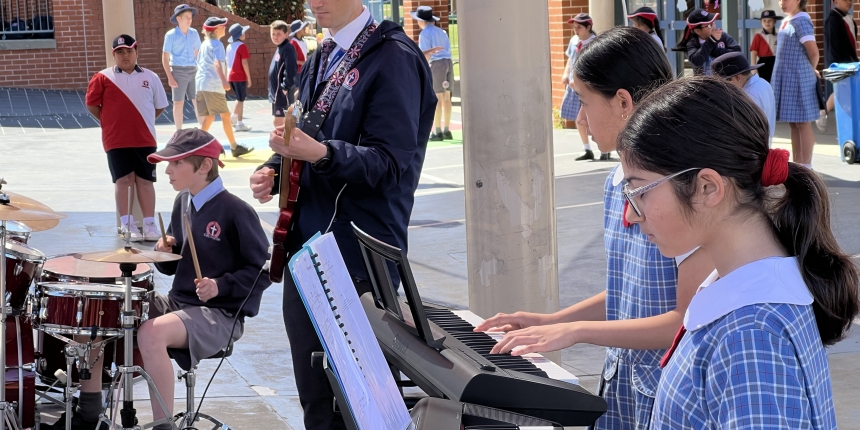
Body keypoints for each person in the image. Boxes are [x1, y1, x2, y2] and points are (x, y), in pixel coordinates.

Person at [474, 27, 714, 430]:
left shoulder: (684, 190)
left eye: (583, 102)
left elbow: (684, 318)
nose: (578, 118)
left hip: (668, 392)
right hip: (621, 381)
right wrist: (547, 320)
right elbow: (628, 287)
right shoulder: (615, 181)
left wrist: (576, 331)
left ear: (622, 101)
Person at [616, 76, 858, 429]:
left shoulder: (751, 336)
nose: (630, 214)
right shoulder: (737, 286)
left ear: (707, 187)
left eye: (640, 192)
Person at [248, 0, 436, 428]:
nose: (315, 1)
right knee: (317, 400)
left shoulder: (394, 57)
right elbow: (310, 134)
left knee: (364, 406)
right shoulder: (323, 53)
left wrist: (321, 153)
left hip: (357, 257)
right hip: (308, 250)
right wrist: (274, 170)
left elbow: (390, 165)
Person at [47, 129, 272, 430]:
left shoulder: (236, 210)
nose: (166, 170)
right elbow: (174, 267)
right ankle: (89, 411)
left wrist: (221, 286)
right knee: (99, 308)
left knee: (151, 333)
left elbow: (263, 270)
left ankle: (164, 425)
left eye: (176, 163)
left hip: (220, 315)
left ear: (204, 166)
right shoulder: (184, 202)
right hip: (180, 304)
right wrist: (167, 251)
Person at [86, 34, 168, 242]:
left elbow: (159, 106)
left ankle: (149, 224)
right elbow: (92, 105)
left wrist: (143, 121)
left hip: (145, 138)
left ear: (137, 52)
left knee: (146, 180)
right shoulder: (102, 77)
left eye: (129, 51)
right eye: (120, 52)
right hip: (116, 140)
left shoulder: (151, 77)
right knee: (123, 180)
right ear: (114, 55)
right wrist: (110, 122)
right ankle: (126, 223)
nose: (125, 56)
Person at [196, 17, 253, 158]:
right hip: (213, 86)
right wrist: (224, 81)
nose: (225, 28)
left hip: (201, 85)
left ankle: (196, 146)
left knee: (209, 118)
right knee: (226, 116)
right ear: (216, 30)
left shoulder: (205, 44)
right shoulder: (217, 44)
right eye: (223, 26)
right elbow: (217, 63)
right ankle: (234, 147)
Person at [772, 0, 819, 168]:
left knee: (803, 123)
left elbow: (813, 53)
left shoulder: (801, 20)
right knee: (794, 123)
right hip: (788, 78)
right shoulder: (787, 20)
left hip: (798, 79)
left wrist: (809, 71)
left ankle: (806, 166)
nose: (782, 3)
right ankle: (798, 165)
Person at [560, 13, 606, 161]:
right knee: (577, 117)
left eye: (579, 27)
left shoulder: (595, 43)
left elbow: (597, 68)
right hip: (574, 87)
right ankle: (586, 148)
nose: (576, 30)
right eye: (574, 27)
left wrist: (582, 81)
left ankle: (604, 147)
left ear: (588, 27)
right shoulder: (574, 41)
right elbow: (570, 60)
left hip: (589, 87)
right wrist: (566, 74)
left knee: (595, 117)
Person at [712, 52, 775, 146]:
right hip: (764, 145)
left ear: (737, 77)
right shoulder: (764, 83)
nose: (724, 88)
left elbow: (744, 131)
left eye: (724, 83)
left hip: (751, 150)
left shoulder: (746, 96)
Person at [412, 6, 454, 142]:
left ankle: (437, 131)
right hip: (448, 62)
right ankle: (447, 129)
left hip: (436, 65)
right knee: (447, 97)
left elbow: (426, 54)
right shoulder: (442, 32)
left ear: (421, 21)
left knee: (437, 98)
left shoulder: (424, 34)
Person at [820, 0, 858, 130]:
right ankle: (823, 113)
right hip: (840, 64)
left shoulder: (850, 19)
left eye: (850, 0)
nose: (849, 2)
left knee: (845, 93)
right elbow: (833, 46)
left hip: (851, 63)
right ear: (835, 1)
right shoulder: (833, 20)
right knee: (841, 91)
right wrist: (838, 67)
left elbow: (852, 44)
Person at [162, 4, 201, 130]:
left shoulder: (194, 33)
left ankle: (204, 131)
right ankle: (179, 132)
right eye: (186, 17)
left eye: (190, 17)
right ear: (178, 19)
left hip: (194, 70)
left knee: (198, 102)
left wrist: (201, 71)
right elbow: (165, 57)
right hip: (178, 70)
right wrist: (170, 77)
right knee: (178, 102)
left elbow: (198, 54)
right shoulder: (170, 35)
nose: (189, 20)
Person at [672, 9, 740, 76]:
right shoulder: (692, 43)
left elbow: (737, 52)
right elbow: (697, 61)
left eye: (713, 22)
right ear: (698, 31)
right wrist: (711, 41)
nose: (713, 27)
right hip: (704, 84)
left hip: (725, 80)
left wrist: (715, 50)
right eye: (709, 25)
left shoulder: (723, 36)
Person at [268, 20, 298, 127]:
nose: (275, 37)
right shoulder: (280, 47)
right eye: (273, 34)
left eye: (278, 34)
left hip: (281, 92)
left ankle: (285, 142)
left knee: (279, 122)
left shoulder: (288, 48)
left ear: (286, 34)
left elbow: (291, 69)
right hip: (276, 92)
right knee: (282, 120)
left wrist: (285, 86)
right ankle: (286, 141)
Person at [226, 23, 253, 133]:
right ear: (240, 35)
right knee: (241, 100)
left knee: (239, 98)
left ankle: (233, 117)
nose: (245, 34)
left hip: (230, 76)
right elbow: (244, 62)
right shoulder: (242, 46)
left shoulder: (229, 46)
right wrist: (249, 78)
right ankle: (240, 123)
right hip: (239, 76)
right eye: (243, 32)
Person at [749, 9, 782, 82]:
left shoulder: (779, 36)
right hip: (763, 65)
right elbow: (754, 53)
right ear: (761, 22)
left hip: (776, 64)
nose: (767, 23)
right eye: (764, 21)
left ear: (775, 21)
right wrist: (754, 69)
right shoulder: (758, 36)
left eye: (770, 20)